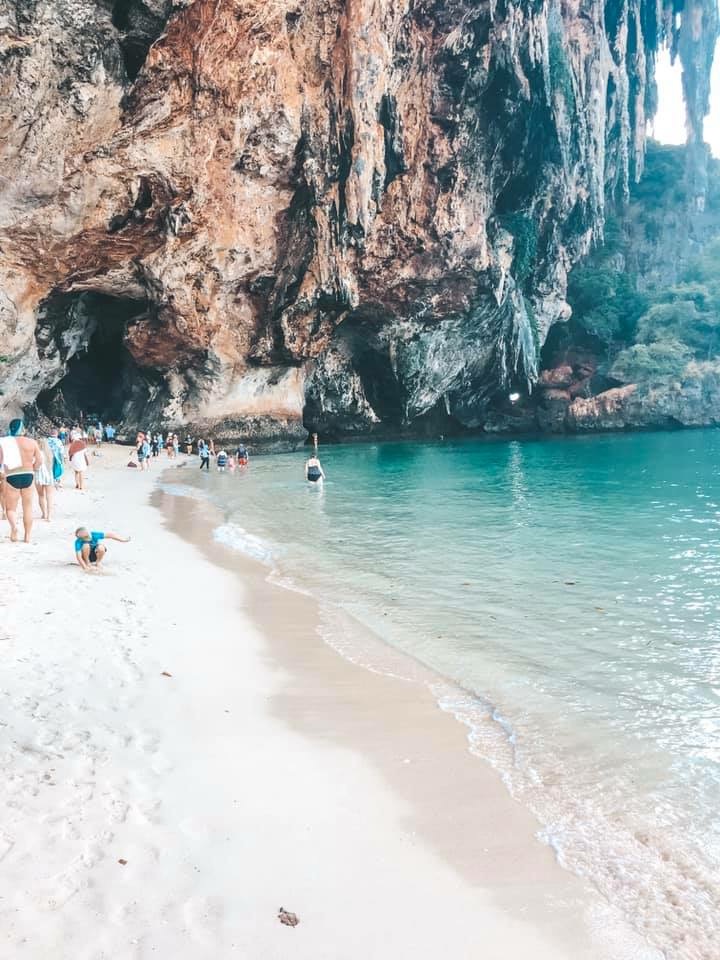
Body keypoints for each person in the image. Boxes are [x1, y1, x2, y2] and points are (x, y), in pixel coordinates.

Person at [0, 419, 42, 542]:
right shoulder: (32, 442)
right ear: (22, 428)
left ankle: (14, 528)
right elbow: (39, 461)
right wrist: (32, 469)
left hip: (12, 475)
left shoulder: (5, 443)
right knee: (27, 507)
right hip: (28, 474)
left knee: (11, 509)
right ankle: (27, 536)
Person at [35, 437, 55, 521]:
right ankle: (49, 516)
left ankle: (44, 513)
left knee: (41, 495)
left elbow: (36, 465)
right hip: (49, 475)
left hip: (39, 475)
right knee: (49, 496)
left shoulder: (37, 453)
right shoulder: (49, 453)